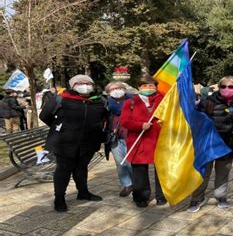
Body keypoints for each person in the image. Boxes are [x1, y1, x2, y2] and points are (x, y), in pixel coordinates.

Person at [39, 75, 109, 212]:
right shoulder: (61, 99)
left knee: (82, 167)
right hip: (64, 142)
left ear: (93, 85)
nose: (85, 85)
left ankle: (83, 192)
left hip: (88, 142)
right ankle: (59, 198)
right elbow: (44, 116)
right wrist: (61, 127)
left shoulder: (99, 101)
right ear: (73, 85)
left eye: (88, 83)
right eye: (80, 83)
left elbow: (103, 118)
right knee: (63, 170)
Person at [187, 76, 233, 213]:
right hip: (209, 144)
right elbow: (197, 107)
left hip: (228, 145)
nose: (226, 89)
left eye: (231, 87)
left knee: (223, 173)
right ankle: (197, 198)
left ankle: (221, 197)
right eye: (223, 86)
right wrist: (194, 101)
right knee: (203, 172)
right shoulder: (209, 102)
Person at [120, 76, 166, 208]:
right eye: (144, 86)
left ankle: (161, 196)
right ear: (139, 87)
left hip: (159, 140)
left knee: (162, 170)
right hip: (139, 140)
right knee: (139, 172)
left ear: (156, 87)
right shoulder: (131, 102)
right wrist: (140, 125)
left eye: (151, 85)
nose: (147, 88)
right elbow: (125, 121)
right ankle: (141, 197)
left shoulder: (163, 100)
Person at [105, 81, 134, 197]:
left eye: (118, 88)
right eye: (112, 89)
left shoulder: (134, 101)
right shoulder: (106, 103)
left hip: (131, 136)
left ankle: (137, 184)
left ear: (124, 89)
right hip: (115, 138)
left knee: (131, 163)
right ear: (108, 92)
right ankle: (128, 184)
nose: (116, 90)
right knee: (121, 163)